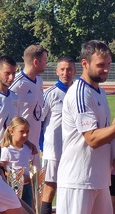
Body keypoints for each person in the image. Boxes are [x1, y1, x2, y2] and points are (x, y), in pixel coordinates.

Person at [56, 40, 115, 214]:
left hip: (100, 177)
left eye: (108, 64)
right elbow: (92, 138)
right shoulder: (80, 92)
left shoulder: (99, 91)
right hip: (78, 180)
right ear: (85, 64)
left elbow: (106, 128)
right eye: (101, 65)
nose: (107, 70)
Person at [39, 57, 76, 214]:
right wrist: (41, 147)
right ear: (57, 71)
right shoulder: (50, 94)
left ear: (74, 71)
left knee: (69, 189)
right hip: (52, 151)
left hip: (73, 151)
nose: (65, 72)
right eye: (62, 69)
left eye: (69, 69)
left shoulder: (77, 93)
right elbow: (39, 121)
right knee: (49, 188)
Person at [9, 44, 48, 169]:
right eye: (45, 60)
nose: (46, 64)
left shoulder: (39, 81)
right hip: (19, 149)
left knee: (35, 186)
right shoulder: (17, 83)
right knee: (18, 186)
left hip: (34, 147)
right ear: (36, 62)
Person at [0, 117, 34, 208]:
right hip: (13, 189)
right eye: (21, 132)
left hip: (27, 187)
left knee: (28, 208)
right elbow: (2, 170)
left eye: (27, 132)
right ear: (11, 132)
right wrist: (17, 177)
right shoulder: (6, 150)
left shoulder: (27, 148)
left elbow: (29, 165)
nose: (25, 135)